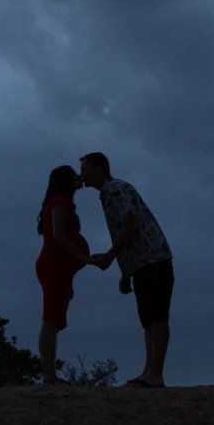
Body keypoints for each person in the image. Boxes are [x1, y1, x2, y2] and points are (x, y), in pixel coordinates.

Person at [78, 151, 173, 387]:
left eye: (85, 169)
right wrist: (126, 272)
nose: (82, 175)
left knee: (157, 316)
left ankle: (155, 373)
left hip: (153, 259)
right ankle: (150, 371)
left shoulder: (115, 191)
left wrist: (110, 257)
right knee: (148, 318)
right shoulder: (109, 193)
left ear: (99, 168)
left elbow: (131, 227)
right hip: (143, 263)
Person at [34, 164, 93, 384]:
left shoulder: (61, 203)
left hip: (60, 267)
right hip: (54, 265)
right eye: (74, 175)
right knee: (51, 319)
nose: (80, 177)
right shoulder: (59, 203)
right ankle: (49, 375)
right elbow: (59, 236)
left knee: (54, 318)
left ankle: (49, 373)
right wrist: (84, 256)